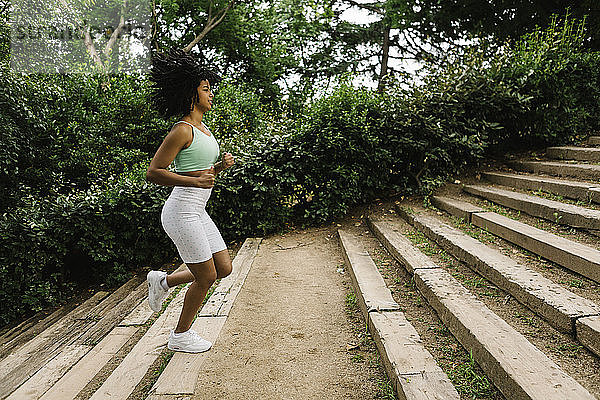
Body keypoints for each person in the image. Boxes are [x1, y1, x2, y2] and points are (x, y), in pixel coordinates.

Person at [145, 48, 235, 353]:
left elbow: (201, 170)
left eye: (211, 89)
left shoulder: (204, 129)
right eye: (206, 89)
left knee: (223, 268)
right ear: (191, 93)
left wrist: (219, 167)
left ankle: (163, 283)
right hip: (180, 211)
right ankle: (180, 335)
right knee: (206, 275)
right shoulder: (181, 130)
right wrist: (194, 181)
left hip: (197, 211)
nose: (211, 95)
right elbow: (154, 172)